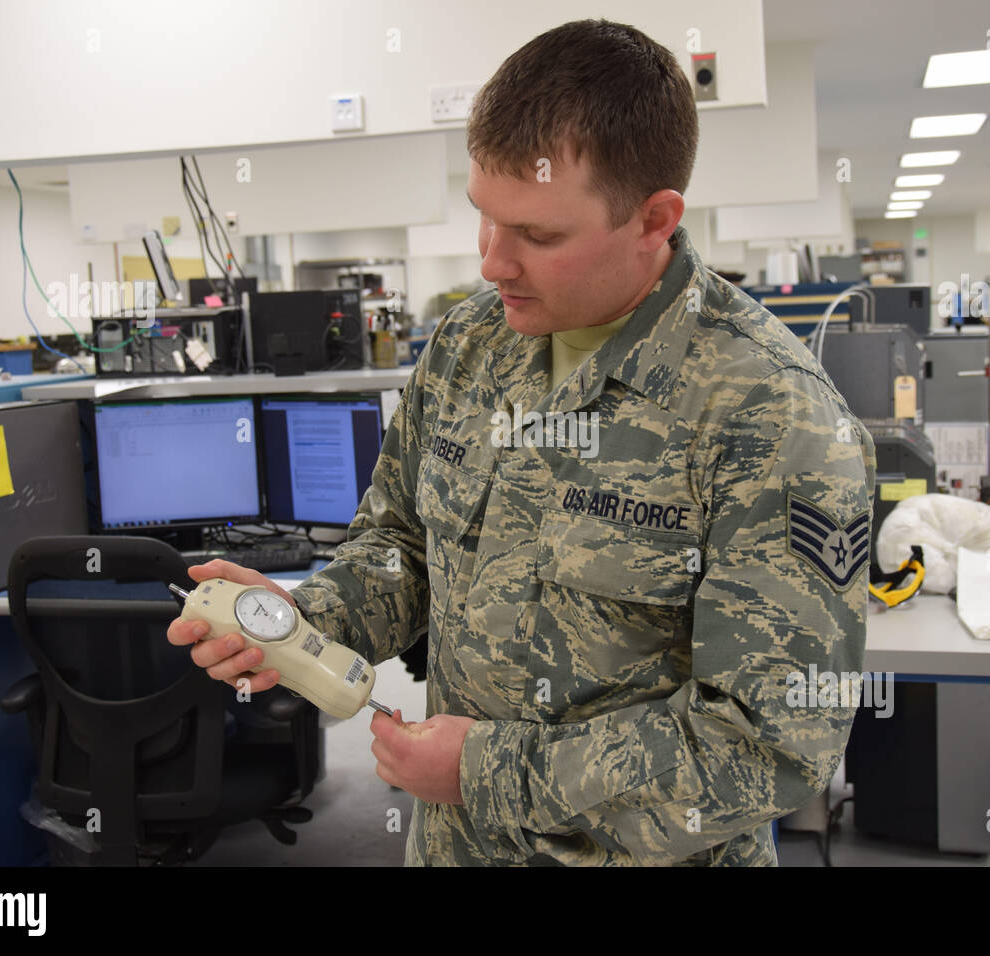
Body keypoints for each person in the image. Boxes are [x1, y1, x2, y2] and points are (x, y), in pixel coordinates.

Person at [168, 18, 876, 866]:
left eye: (538, 235)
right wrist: (300, 624)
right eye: (484, 218)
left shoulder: (770, 414)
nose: (493, 263)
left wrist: (484, 772)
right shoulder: (471, 345)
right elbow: (399, 548)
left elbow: (770, 745)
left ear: (654, 219)